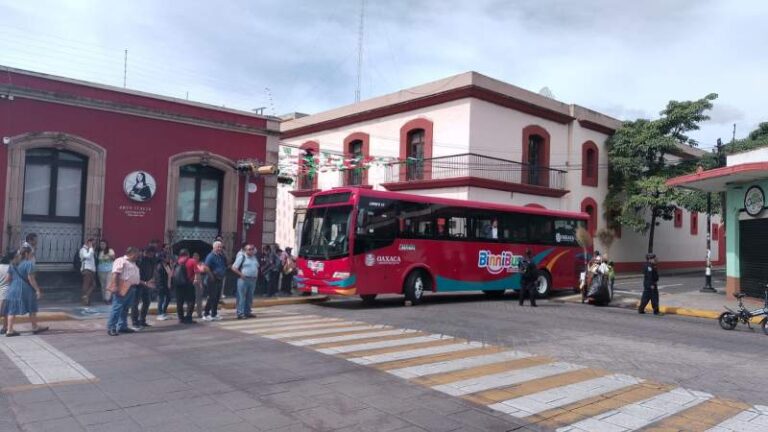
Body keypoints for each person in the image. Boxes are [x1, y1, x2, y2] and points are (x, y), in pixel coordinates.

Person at [2, 246, 48, 336]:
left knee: (12, 310)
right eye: (31, 253)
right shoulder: (29, 264)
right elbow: (31, 279)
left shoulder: (12, 265)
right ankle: (34, 327)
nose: (32, 255)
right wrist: (37, 290)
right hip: (25, 289)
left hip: (13, 288)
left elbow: (7, 279)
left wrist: (14, 284)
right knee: (32, 308)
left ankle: (9, 330)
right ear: (26, 254)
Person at [106, 247, 141, 336]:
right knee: (117, 307)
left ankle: (122, 326)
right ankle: (111, 327)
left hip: (131, 287)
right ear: (131, 253)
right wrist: (116, 286)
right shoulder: (121, 260)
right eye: (137, 254)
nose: (138, 256)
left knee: (125, 308)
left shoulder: (133, 263)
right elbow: (116, 274)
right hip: (122, 286)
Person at [131, 247, 157, 328]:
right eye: (149, 253)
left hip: (146, 284)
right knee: (135, 303)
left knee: (147, 302)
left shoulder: (151, 261)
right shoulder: (139, 261)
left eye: (152, 253)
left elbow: (152, 271)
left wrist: (152, 279)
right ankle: (135, 321)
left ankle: (142, 320)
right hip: (138, 284)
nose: (151, 255)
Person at [232, 244, 259, 319]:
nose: (251, 251)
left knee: (250, 297)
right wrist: (241, 274)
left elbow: (257, 266)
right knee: (241, 297)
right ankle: (240, 313)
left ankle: (247, 312)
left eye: (252, 249)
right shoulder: (242, 257)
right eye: (249, 249)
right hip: (243, 279)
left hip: (253, 279)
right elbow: (234, 267)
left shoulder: (254, 258)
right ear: (245, 250)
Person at [203, 241, 227, 321]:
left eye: (221, 247)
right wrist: (211, 276)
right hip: (212, 280)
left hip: (219, 279)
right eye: (218, 247)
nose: (220, 248)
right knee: (211, 297)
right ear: (214, 247)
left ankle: (214, 313)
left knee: (217, 297)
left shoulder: (221, 256)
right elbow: (206, 267)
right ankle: (206, 314)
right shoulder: (211, 256)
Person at [173, 249, 198, 324]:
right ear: (188, 254)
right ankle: (188, 318)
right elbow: (196, 272)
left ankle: (181, 318)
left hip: (178, 284)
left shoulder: (177, 262)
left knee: (179, 301)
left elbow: (173, 273)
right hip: (188, 283)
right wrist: (196, 280)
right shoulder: (192, 261)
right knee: (191, 300)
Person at [97, 239, 116, 304]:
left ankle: (107, 299)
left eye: (103, 244)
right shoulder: (99, 252)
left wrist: (109, 255)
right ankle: (104, 298)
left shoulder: (110, 251)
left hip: (109, 270)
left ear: (106, 245)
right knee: (103, 285)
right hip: (101, 270)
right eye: (101, 244)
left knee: (108, 284)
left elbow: (114, 258)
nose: (102, 245)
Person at [154, 252, 173, 321]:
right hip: (161, 286)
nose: (168, 258)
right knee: (161, 299)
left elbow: (170, 274)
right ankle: (159, 314)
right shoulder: (159, 266)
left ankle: (163, 312)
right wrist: (160, 286)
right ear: (163, 258)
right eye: (167, 257)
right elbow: (158, 278)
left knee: (168, 298)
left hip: (168, 285)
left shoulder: (167, 265)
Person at [79, 238, 96, 306]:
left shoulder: (89, 249)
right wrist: (91, 248)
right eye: (92, 243)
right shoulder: (84, 249)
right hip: (86, 269)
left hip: (90, 270)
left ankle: (86, 299)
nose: (93, 245)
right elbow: (87, 256)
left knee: (92, 285)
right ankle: (85, 300)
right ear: (88, 243)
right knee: (87, 285)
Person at [192, 252, 206, 318]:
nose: (196, 258)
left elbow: (203, 270)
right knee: (193, 298)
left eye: (197, 256)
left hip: (200, 281)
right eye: (194, 257)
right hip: (194, 282)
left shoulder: (201, 263)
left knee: (199, 298)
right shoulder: (191, 264)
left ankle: (199, 312)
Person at [0, 256, 10, 335]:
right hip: (6, 290)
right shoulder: (10, 268)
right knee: (6, 311)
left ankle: (5, 328)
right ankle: (4, 327)